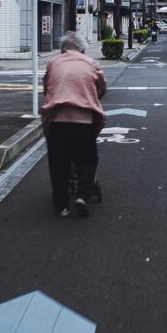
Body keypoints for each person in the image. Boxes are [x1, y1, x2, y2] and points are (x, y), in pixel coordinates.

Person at [41, 31, 107, 217]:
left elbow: (47, 88)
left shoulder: (53, 63)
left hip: (58, 122)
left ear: (63, 50)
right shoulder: (91, 64)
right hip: (84, 121)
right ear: (83, 49)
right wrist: (92, 98)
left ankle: (61, 205)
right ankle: (82, 196)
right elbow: (102, 88)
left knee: (58, 164)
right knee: (88, 160)